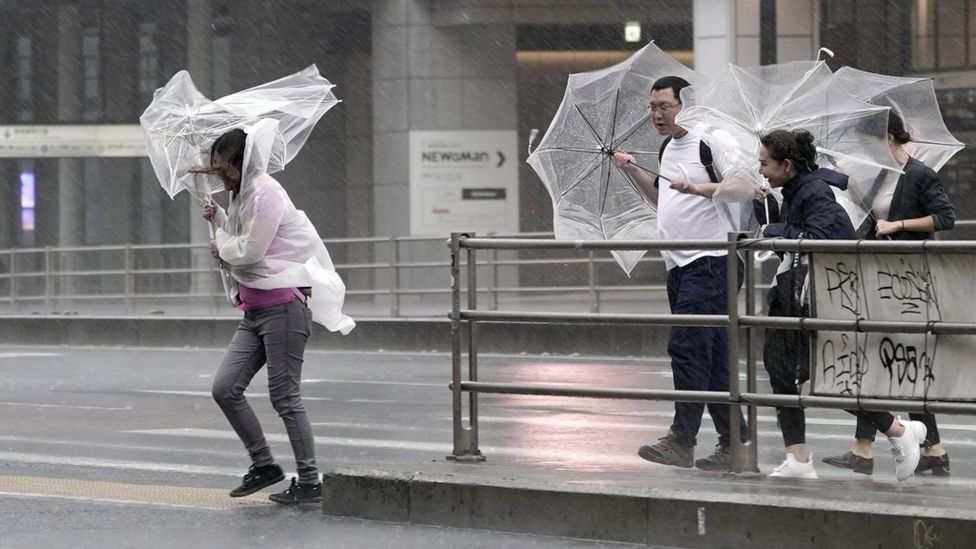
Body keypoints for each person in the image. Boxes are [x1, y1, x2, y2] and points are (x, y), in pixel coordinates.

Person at [754, 128, 927, 480]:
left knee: (826, 376)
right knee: (782, 370)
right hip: (800, 294)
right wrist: (768, 213)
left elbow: (817, 238)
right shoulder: (798, 188)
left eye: (764, 163)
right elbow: (796, 237)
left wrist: (774, 231)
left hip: (815, 296)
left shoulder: (814, 191)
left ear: (787, 165)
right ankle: (799, 459)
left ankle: (899, 430)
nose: (760, 169)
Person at [196, 127, 354, 504]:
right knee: (225, 388)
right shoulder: (242, 194)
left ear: (242, 161)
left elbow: (251, 249)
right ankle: (265, 465)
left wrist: (221, 246)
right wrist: (219, 218)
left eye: (224, 166)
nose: (220, 174)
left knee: (285, 397)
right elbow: (240, 237)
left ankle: (311, 482)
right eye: (215, 166)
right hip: (254, 311)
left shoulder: (265, 192)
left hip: (283, 307)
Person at [612, 76, 749, 472]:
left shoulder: (712, 140)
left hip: (711, 260)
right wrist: (633, 170)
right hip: (681, 264)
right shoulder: (668, 146)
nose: (656, 114)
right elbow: (664, 200)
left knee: (688, 347)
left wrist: (696, 188)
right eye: (652, 107)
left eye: (664, 106)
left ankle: (682, 439)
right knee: (715, 356)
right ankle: (735, 442)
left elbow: (744, 186)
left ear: (685, 104)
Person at [822, 112, 956, 477]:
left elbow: (945, 217)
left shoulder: (919, 174)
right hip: (882, 277)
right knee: (886, 363)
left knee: (896, 363)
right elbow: (872, 212)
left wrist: (898, 225)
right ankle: (915, 450)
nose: (867, 150)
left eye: (870, 143)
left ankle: (883, 449)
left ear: (890, 138)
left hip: (908, 281)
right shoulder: (883, 174)